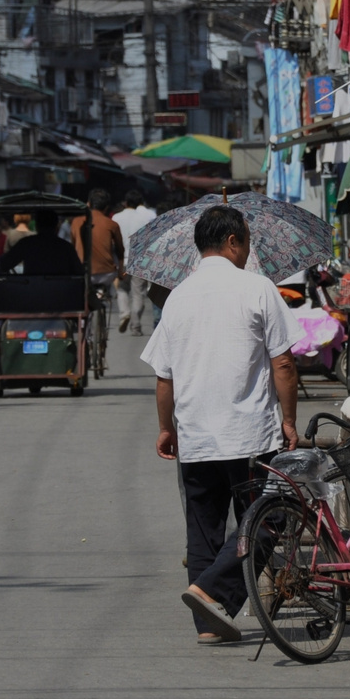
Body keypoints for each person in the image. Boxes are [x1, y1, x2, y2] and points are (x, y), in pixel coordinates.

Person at [140, 205, 300, 644]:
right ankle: (211, 591)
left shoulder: (177, 297)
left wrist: (166, 427)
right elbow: (283, 363)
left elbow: (163, 375)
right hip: (249, 434)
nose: (249, 250)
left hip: (195, 435)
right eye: (247, 241)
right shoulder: (258, 289)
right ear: (232, 242)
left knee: (203, 530)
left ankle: (209, 625)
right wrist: (289, 419)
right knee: (269, 519)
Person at [112, 189, 157, 336]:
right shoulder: (144, 219)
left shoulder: (116, 218)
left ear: (125, 203)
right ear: (140, 203)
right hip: (139, 262)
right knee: (138, 293)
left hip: (122, 260)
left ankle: (125, 313)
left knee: (122, 289)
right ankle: (136, 326)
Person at [72, 189, 125, 313]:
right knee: (106, 288)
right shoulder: (112, 224)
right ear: (106, 207)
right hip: (106, 274)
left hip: (82, 273)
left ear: (88, 204)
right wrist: (120, 272)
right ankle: (102, 295)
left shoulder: (76, 222)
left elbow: (73, 247)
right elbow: (120, 250)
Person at [0, 209, 84, 277]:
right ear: (56, 226)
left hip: (32, 293)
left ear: (37, 226)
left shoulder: (27, 244)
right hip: (60, 295)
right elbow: (79, 272)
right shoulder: (66, 247)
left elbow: (3, 264)